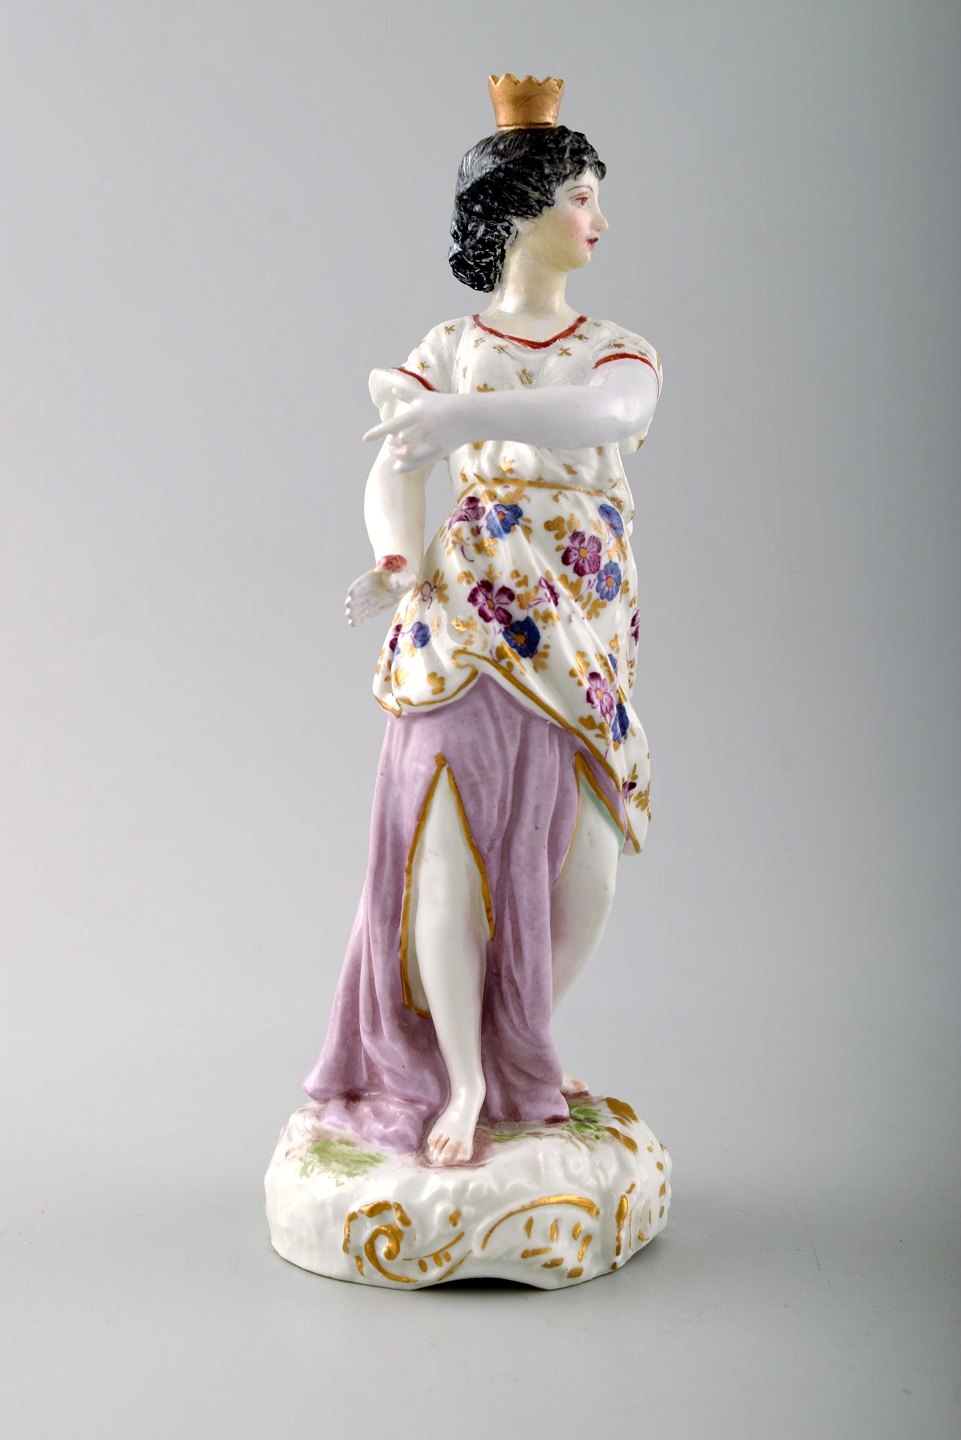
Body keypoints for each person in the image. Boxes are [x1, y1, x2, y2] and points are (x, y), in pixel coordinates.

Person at [303, 111, 662, 1167]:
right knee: (448, 853)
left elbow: (608, 414)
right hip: (467, 612)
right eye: (580, 196)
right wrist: (394, 558)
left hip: (583, 623)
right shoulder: (448, 348)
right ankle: (464, 1078)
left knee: (587, 866)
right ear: (518, 211)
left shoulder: (613, 348)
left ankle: (519, 1044)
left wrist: (464, 419)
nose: (598, 217)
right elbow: (394, 463)